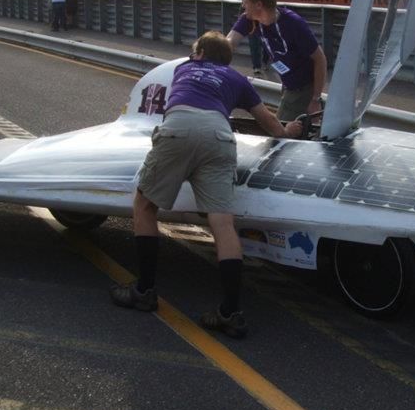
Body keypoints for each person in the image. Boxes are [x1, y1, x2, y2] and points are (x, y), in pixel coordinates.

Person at [111, 31, 303, 338]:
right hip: (219, 137)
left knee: (145, 205)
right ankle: (231, 312)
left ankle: (144, 290)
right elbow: (268, 123)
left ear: (199, 54)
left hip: (179, 130)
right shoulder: (237, 79)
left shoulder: (183, 68)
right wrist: (289, 129)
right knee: (222, 223)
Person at [226, 0, 327, 122]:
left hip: (303, 89)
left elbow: (320, 59)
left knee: (278, 134)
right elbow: (229, 42)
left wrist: (315, 98)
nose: (243, 5)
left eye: (246, 2)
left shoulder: (293, 24)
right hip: (288, 86)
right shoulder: (249, 19)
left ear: (259, 5)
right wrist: (209, 53)